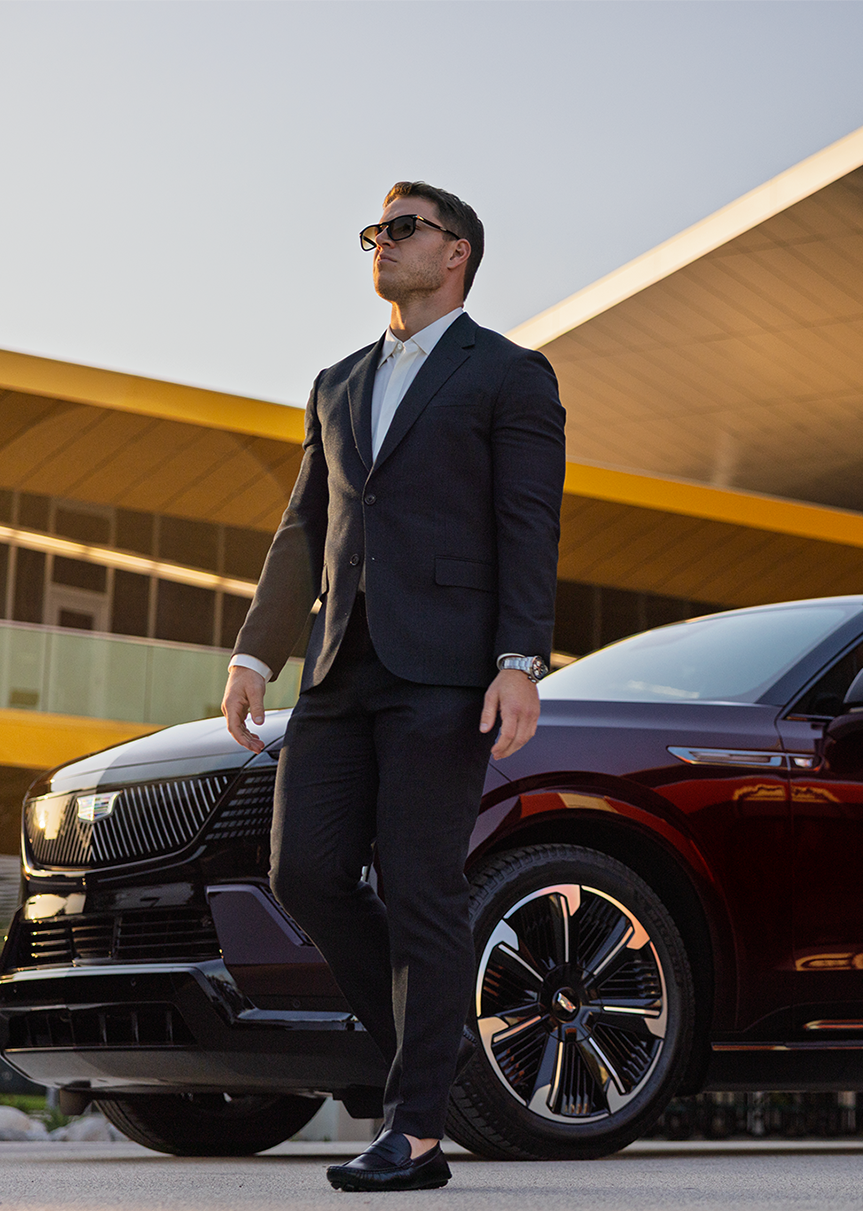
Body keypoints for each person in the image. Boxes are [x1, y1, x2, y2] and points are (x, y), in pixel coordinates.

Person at [221, 181, 565, 1191]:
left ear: (455, 251)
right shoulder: (337, 381)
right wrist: (255, 654)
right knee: (307, 871)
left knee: (422, 884)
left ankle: (415, 1129)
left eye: (402, 226)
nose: (382, 240)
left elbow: (528, 524)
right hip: (340, 667)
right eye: (374, 228)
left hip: (448, 669)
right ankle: (434, 1043)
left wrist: (519, 659)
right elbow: (302, 529)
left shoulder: (508, 373)